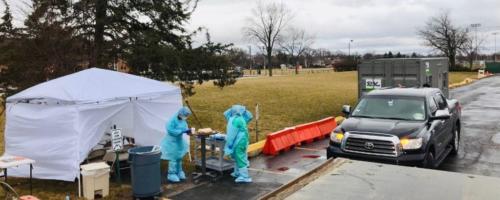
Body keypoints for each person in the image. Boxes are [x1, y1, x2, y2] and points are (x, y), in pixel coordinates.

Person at [160, 106, 192, 183]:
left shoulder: (183, 121)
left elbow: (185, 128)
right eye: (185, 115)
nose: (186, 117)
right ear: (181, 114)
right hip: (171, 142)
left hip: (179, 141)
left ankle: (179, 171)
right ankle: (171, 174)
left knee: (179, 157)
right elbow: (170, 130)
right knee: (173, 158)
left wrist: (188, 131)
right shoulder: (172, 120)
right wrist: (181, 131)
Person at [224, 105, 253, 183]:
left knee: (240, 158)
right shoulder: (240, 118)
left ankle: (244, 176)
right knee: (238, 157)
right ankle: (237, 173)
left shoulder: (235, 120)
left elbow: (231, 134)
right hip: (243, 141)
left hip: (238, 142)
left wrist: (229, 144)